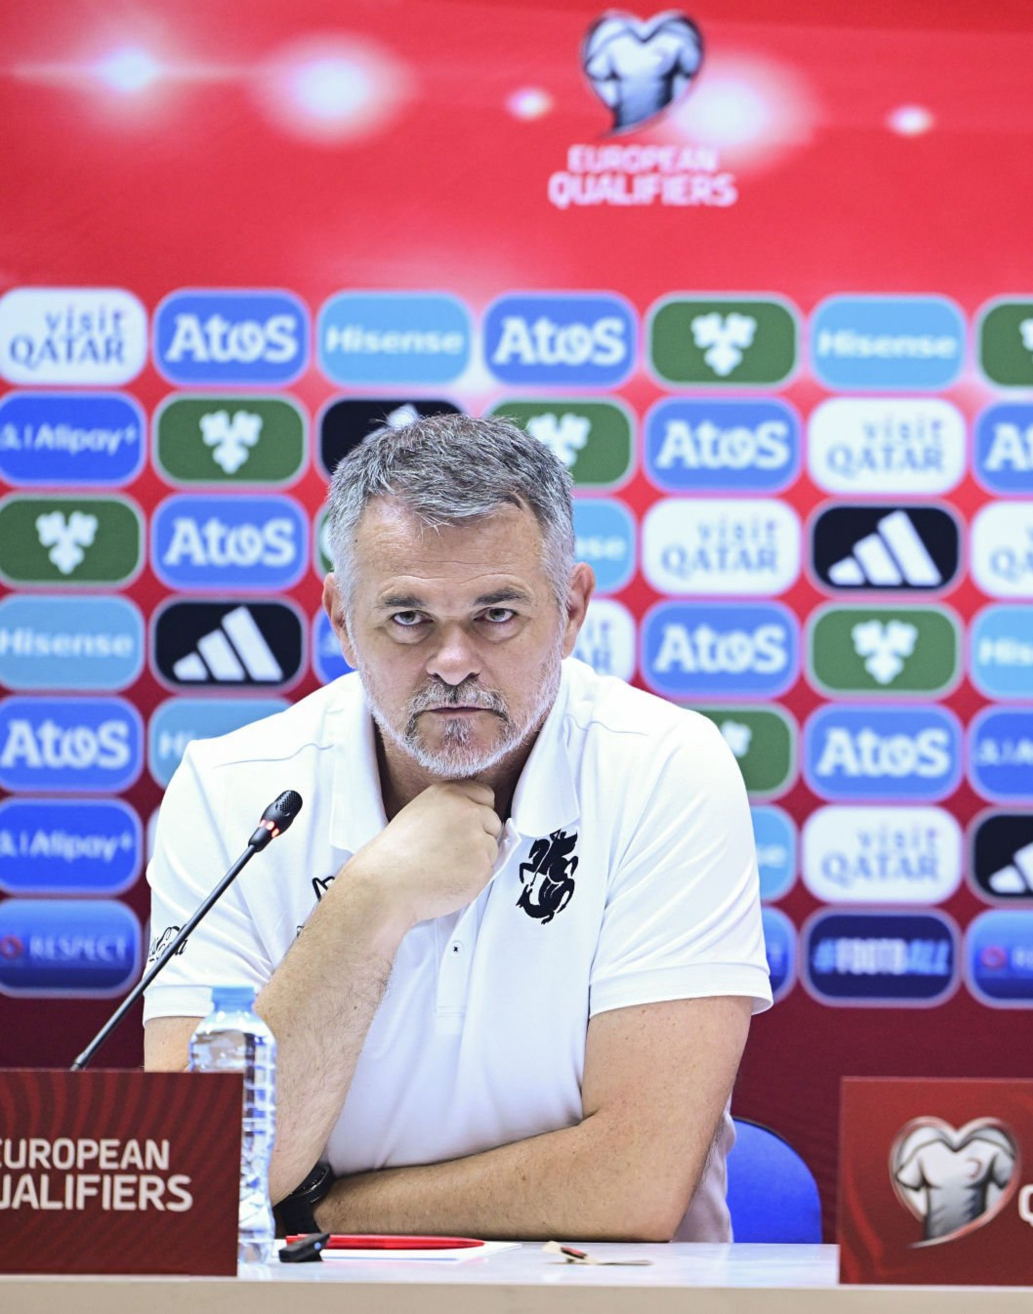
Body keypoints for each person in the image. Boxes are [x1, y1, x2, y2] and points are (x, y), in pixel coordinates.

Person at [142, 414, 769, 1242]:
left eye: (496, 614)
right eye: (408, 618)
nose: (452, 661)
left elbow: (633, 1183)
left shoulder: (666, 767)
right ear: (341, 618)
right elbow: (204, 1174)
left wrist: (313, 1212)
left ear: (572, 609)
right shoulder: (231, 790)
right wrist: (368, 901)